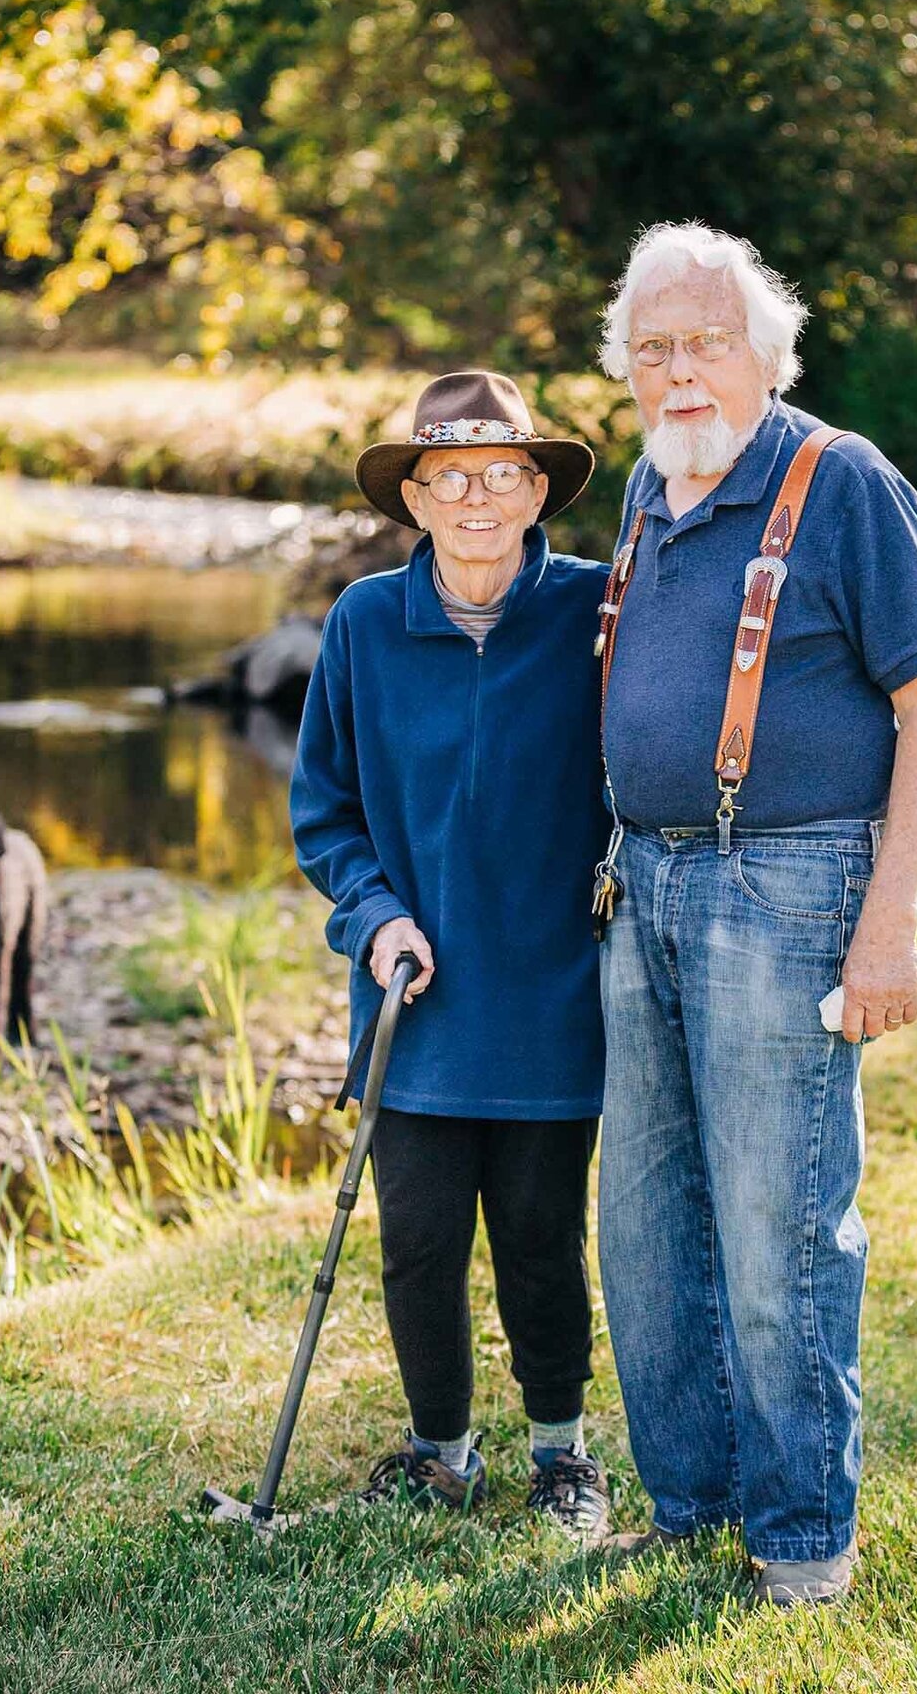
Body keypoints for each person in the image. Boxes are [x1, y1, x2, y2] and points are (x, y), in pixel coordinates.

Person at [594, 222, 917, 1604]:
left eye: (704, 343)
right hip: (644, 882)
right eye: (653, 349)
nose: (679, 371)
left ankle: (803, 1539)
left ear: (764, 353)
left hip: (792, 879)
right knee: (645, 1229)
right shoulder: (650, 486)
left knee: (781, 1224)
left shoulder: (842, 480)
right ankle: (692, 1503)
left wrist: (890, 929)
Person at [289, 370, 613, 1537]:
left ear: (537, 491)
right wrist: (376, 918)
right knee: (418, 1245)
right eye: (448, 479)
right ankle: (440, 1455)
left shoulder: (596, 615)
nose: (476, 498)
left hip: (551, 1001)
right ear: (414, 501)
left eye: (501, 476)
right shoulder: (366, 624)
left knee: (540, 1240)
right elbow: (324, 815)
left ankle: (563, 1458)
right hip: (411, 1005)